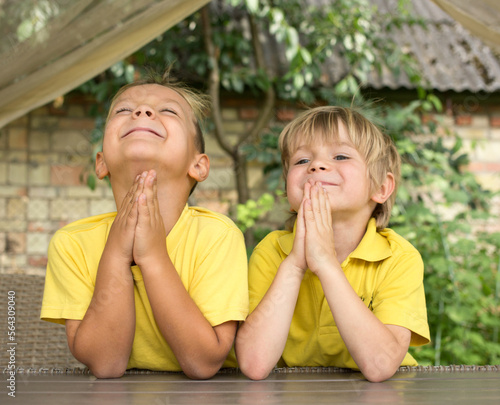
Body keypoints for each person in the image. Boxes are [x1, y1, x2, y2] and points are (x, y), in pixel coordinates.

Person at [41, 69, 249, 379]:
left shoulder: (217, 237)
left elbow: (203, 363)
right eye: (124, 110)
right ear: (101, 163)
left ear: (198, 165)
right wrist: (116, 252)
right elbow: (106, 364)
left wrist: (152, 256)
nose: (142, 111)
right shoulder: (72, 243)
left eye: (167, 111)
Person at [235, 106, 430, 382]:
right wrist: (294, 265)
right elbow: (255, 364)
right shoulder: (271, 252)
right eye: (302, 160)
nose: (316, 165)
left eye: (340, 156)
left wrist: (326, 264)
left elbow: (380, 366)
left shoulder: (398, 257)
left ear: (381, 188)